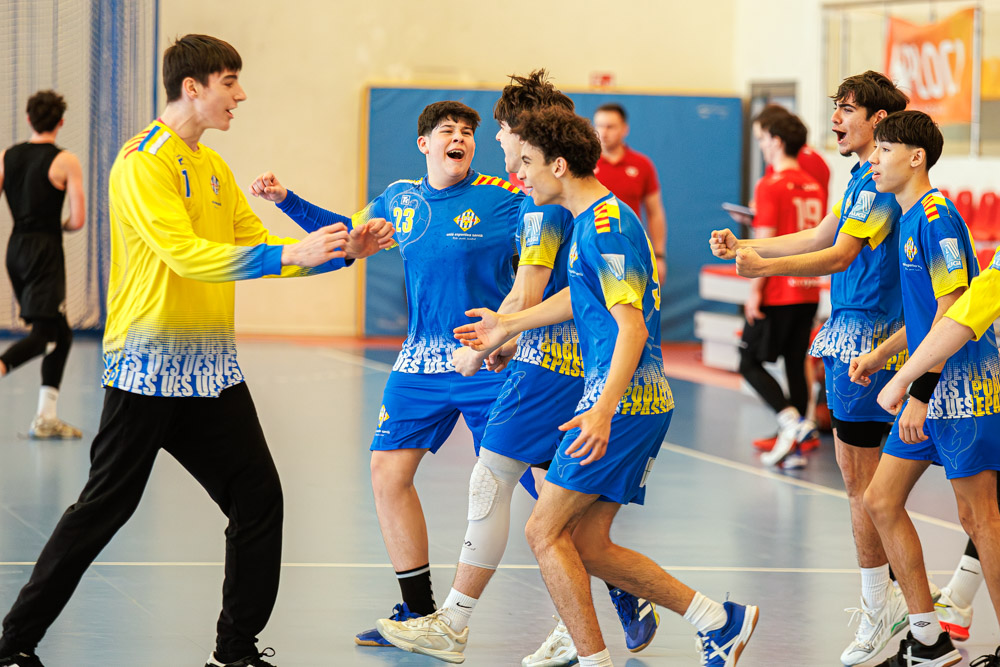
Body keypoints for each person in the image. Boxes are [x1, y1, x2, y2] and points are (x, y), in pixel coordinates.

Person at [0, 34, 390, 667]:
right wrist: (290, 253)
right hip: (147, 368)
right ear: (193, 87)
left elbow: (257, 248)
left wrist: (344, 251)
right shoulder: (142, 162)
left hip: (211, 373)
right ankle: (13, 643)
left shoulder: (213, 168)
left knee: (258, 499)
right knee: (103, 510)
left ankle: (234, 652)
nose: (241, 95)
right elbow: (186, 255)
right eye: (230, 82)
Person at [373, 70, 658, 667]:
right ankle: (616, 603)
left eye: (500, 130)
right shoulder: (566, 195)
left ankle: (466, 623)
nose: (496, 141)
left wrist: (490, 339)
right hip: (553, 353)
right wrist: (504, 333)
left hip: (559, 361)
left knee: (520, 490)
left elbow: (533, 290)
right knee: (539, 491)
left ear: (521, 133)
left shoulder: (542, 204)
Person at [456, 107, 757, 667]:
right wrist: (508, 326)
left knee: (544, 533)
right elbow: (580, 299)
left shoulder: (605, 228)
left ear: (559, 165)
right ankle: (718, 621)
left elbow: (632, 328)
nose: (519, 173)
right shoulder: (590, 220)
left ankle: (593, 659)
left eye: (527, 162)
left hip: (625, 405)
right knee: (586, 544)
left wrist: (601, 409)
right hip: (630, 403)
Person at [249, 101, 529, 648]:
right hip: (420, 361)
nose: (460, 138)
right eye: (447, 131)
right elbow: (344, 238)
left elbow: (547, 257)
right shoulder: (401, 200)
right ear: (424, 143)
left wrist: (515, 331)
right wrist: (286, 200)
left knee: (542, 482)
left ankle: (621, 589)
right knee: (387, 472)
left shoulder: (505, 197)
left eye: (468, 132)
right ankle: (418, 611)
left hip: (487, 359)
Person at [710, 71, 915, 664]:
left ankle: (887, 609)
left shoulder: (881, 182)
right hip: (856, 333)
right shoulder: (861, 176)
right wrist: (752, 248)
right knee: (868, 488)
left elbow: (841, 254)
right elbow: (823, 232)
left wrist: (763, 268)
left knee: (867, 490)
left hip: (871, 339)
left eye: (846, 108)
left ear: (878, 119)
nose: (835, 119)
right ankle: (907, 611)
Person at [848, 110, 1000, 666]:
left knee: (980, 518)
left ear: (916, 158)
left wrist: (917, 390)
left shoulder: (936, 218)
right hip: (931, 385)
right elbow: (924, 317)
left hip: (961, 389)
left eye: (885, 149)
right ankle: (928, 639)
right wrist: (881, 355)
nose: (874, 160)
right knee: (880, 500)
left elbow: (954, 309)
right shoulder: (908, 218)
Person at [738, 110, 824, 467]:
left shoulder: (770, 184)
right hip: (807, 287)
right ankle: (796, 449)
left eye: (761, 139)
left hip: (778, 290)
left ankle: (792, 422)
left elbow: (765, 243)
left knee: (748, 362)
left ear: (776, 140)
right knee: (794, 362)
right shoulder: (814, 185)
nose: (760, 145)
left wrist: (755, 291)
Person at [0, 90, 86, 438]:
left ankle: (46, 417)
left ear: (28, 119)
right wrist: (56, 225)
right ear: (61, 122)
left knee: (61, 335)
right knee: (43, 337)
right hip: (45, 252)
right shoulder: (65, 161)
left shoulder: (7, 156)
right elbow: (77, 220)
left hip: (15, 250)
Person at [593, 103, 667, 283]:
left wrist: (659, 256)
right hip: (591, 250)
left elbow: (655, 212)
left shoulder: (642, 165)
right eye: (599, 126)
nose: (603, 132)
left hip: (631, 251)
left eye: (610, 127)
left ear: (624, 129)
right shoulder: (584, 163)